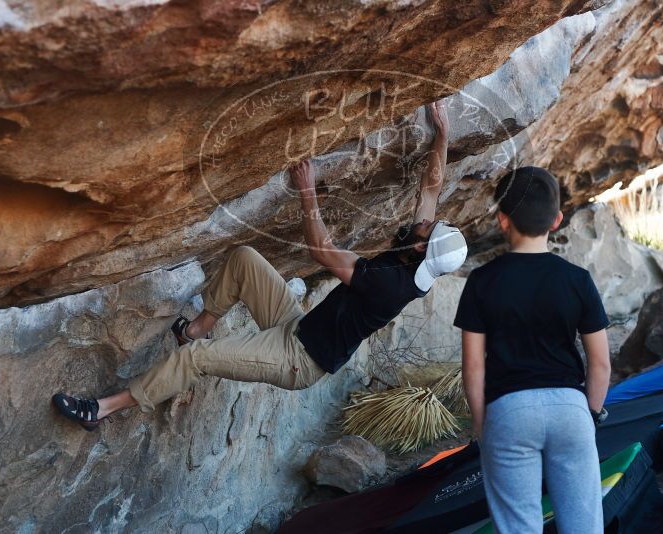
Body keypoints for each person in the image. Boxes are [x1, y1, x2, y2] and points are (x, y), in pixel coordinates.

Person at [53, 101, 467, 431]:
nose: (425, 221)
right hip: (298, 326)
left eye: (427, 228)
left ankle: (103, 409)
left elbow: (321, 251)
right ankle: (194, 329)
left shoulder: (391, 285)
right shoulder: (418, 256)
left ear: (421, 248)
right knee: (244, 260)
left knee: (196, 359)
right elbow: (430, 190)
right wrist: (443, 134)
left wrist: (308, 193)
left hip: (297, 359)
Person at [455, 166, 611, 533]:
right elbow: (601, 364)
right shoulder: (577, 279)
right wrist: (589, 414)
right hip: (570, 408)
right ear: (557, 220)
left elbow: (473, 367)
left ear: (502, 220)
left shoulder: (481, 281)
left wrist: (482, 426)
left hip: (509, 411)